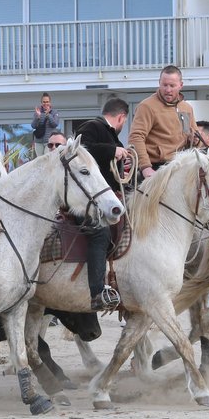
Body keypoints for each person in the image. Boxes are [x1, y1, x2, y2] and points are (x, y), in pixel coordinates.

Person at [74, 96, 130, 309]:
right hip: (84, 198)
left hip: (102, 198)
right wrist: (112, 151)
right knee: (100, 232)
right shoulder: (93, 126)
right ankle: (97, 292)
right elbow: (80, 149)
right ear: (121, 117)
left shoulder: (108, 135)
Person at [130, 65, 198, 180]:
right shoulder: (147, 106)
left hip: (180, 167)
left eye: (172, 86)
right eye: (164, 85)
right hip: (155, 168)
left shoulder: (186, 108)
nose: (168, 90)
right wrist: (145, 167)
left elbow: (190, 134)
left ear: (181, 85)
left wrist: (195, 140)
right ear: (159, 83)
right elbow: (136, 137)